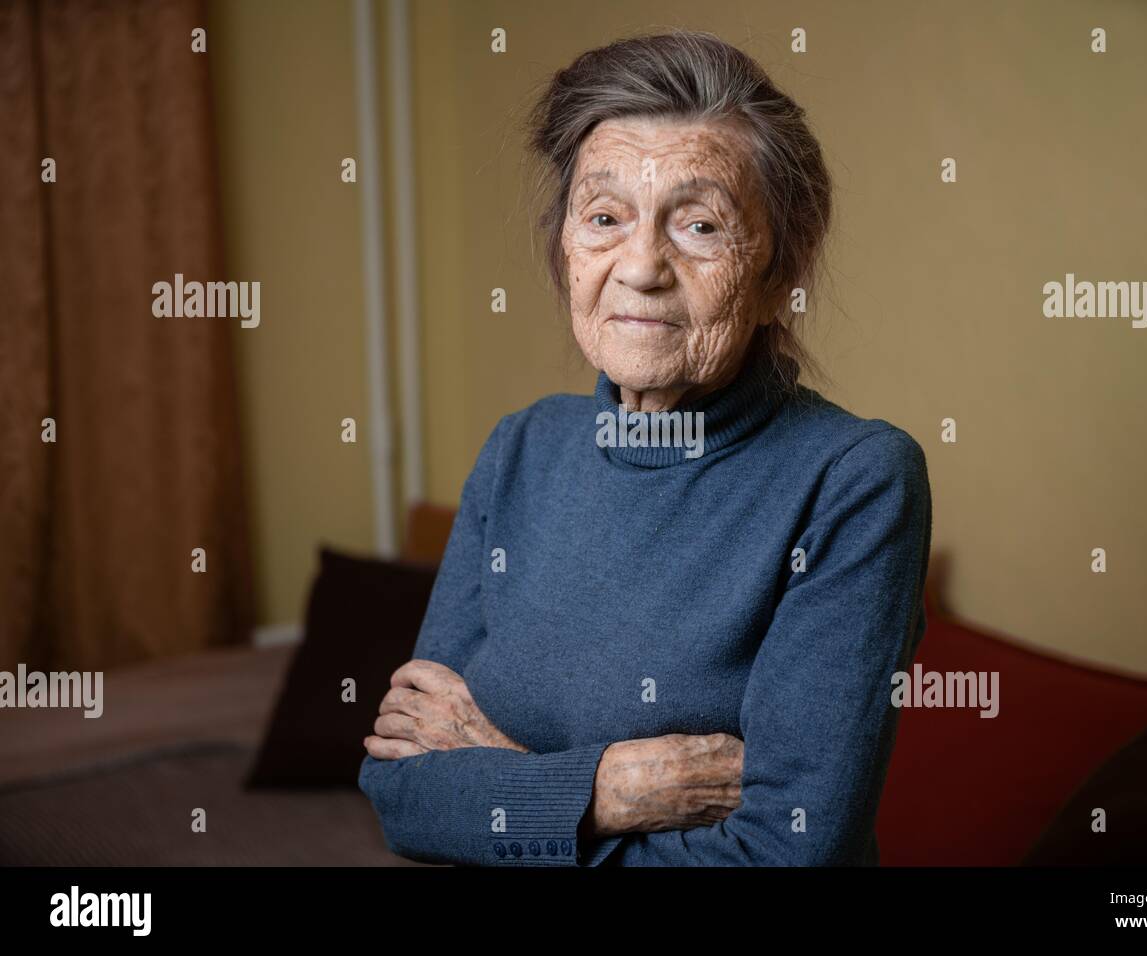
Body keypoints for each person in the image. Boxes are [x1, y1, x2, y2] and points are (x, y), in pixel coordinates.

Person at [358, 29, 932, 866]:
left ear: (781, 271)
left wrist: (506, 784)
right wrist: (612, 790)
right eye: (604, 217)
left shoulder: (855, 480)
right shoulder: (521, 449)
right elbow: (403, 798)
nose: (641, 267)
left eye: (699, 225)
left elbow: (784, 854)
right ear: (565, 249)